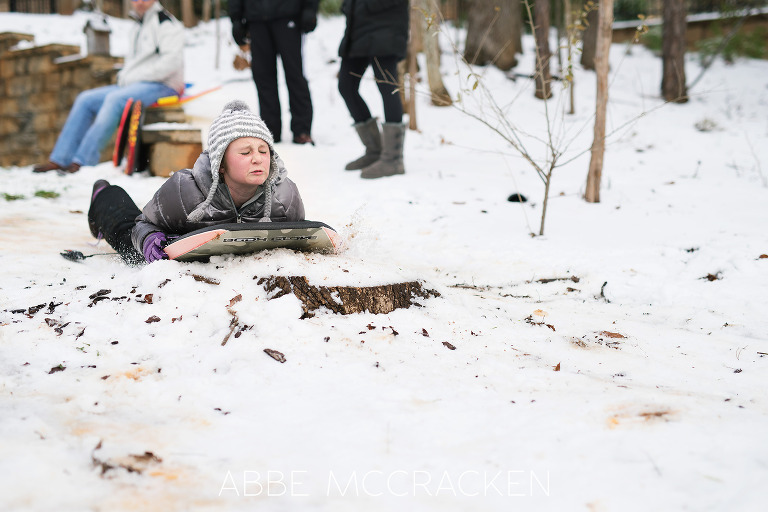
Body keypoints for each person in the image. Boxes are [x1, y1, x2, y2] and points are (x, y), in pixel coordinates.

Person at [87, 100, 306, 265]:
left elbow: (304, 236)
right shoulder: (185, 191)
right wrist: (148, 238)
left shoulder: (285, 196)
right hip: (166, 248)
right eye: (245, 152)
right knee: (125, 233)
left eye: (263, 150)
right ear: (220, 163)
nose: (257, 158)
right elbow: (143, 223)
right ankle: (105, 194)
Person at [33, 0, 184, 174]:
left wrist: (133, 77)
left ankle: (83, 162)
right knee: (86, 99)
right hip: (134, 85)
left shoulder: (166, 23)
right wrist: (127, 76)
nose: (140, 2)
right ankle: (60, 159)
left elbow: (171, 63)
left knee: (115, 99)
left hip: (163, 85)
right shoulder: (137, 26)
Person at [228, 0, 317, 145]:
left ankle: (302, 129)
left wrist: (310, 8)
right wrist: (236, 18)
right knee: (263, 76)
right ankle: (270, 129)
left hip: (288, 15)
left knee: (295, 74)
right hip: (257, 19)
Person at [337, 0, 409, 179]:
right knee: (346, 86)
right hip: (358, 28)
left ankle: (393, 159)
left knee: (387, 87)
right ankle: (375, 150)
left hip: (385, 27)